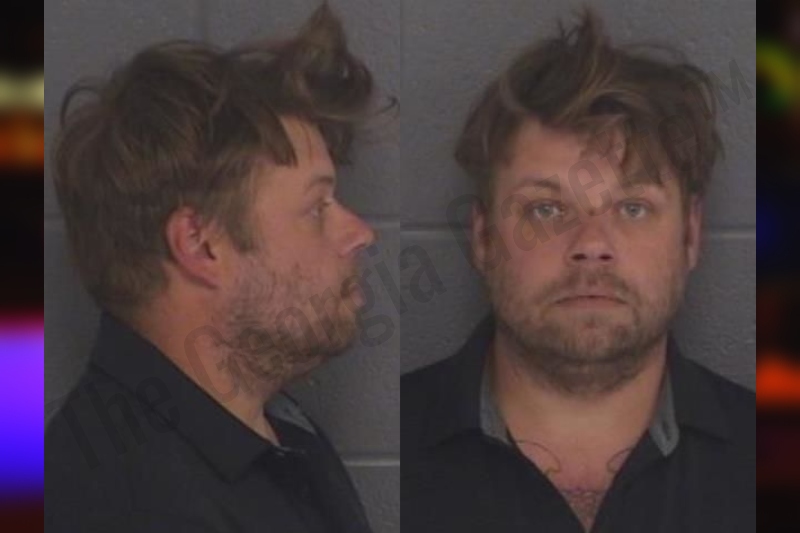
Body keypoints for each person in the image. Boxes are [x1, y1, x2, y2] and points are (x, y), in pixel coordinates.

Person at [402, 9, 754, 533]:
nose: (591, 245)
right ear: (482, 237)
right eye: (546, 209)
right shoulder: (392, 455)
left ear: (691, 235)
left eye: (633, 207)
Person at [45, 5, 377, 532]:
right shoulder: (128, 507)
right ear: (201, 246)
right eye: (317, 208)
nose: (359, 232)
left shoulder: (275, 432)